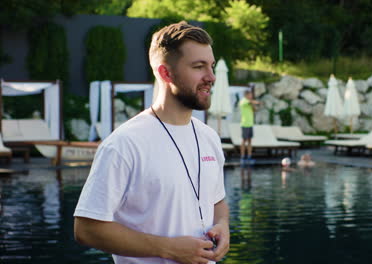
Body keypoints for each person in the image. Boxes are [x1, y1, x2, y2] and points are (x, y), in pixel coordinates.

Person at [74, 21, 230, 264]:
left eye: (210, 66)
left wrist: (222, 225)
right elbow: (86, 228)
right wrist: (167, 248)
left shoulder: (209, 137)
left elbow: (217, 201)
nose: (210, 77)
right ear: (165, 73)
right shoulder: (125, 144)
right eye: (198, 67)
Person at [238, 90, 261, 164]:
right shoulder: (243, 101)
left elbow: (255, 110)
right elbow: (252, 102)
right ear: (246, 95)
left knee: (250, 141)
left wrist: (254, 105)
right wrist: (257, 102)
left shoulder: (249, 103)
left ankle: (249, 157)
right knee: (244, 141)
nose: (251, 96)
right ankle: (242, 157)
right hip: (245, 124)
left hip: (250, 124)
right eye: (250, 95)